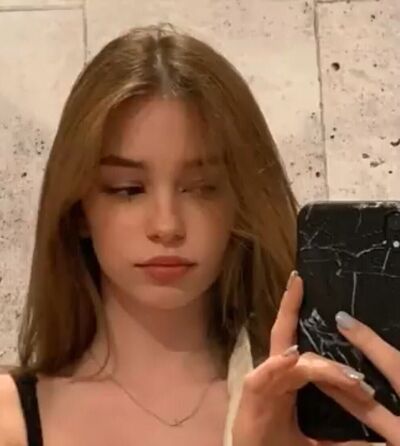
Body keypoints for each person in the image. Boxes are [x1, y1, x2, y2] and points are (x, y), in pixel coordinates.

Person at [0, 23, 399, 446]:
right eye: (127, 189)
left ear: (240, 200)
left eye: (201, 188)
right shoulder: (10, 420)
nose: (167, 226)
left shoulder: (322, 414)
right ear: (79, 206)